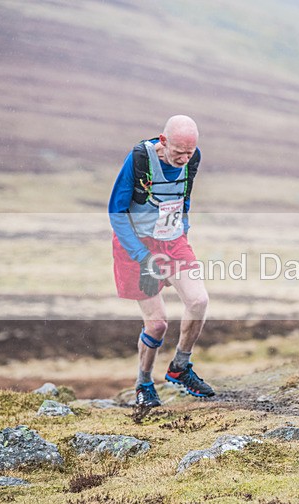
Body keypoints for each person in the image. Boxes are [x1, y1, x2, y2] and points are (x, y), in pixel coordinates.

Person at [108, 115, 215, 407]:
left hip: (173, 241)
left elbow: (184, 198)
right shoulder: (140, 158)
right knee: (157, 325)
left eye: (189, 152)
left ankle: (180, 366)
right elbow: (116, 211)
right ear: (163, 140)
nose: (183, 158)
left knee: (198, 301)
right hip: (137, 245)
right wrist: (143, 258)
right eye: (178, 151)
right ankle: (143, 382)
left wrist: (183, 230)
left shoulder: (193, 159)